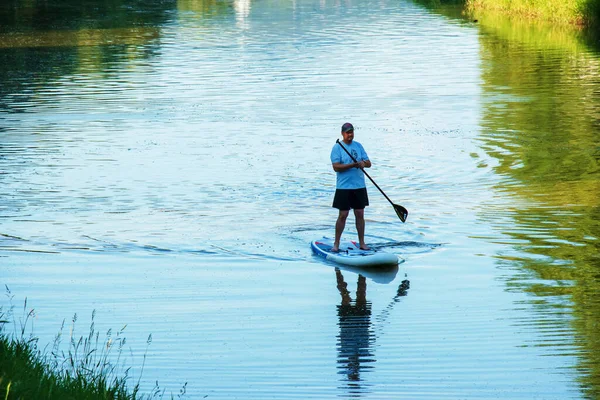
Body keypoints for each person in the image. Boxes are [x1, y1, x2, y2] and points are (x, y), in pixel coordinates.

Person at [330, 122, 371, 252]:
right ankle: (336, 244)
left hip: (359, 186)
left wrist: (362, 163)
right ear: (342, 133)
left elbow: (369, 163)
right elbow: (336, 167)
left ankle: (362, 243)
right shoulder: (337, 147)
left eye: (352, 132)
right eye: (348, 132)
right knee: (343, 214)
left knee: (360, 213)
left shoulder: (358, 146)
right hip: (344, 187)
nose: (350, 135)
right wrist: (352, 165)